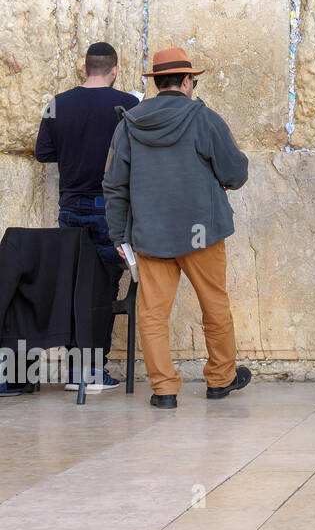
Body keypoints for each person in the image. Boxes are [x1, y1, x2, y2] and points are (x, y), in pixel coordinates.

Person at [103, 47, 251, 410]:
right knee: (214, 305)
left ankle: (164, 389)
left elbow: (114, 185)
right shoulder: (204, 118)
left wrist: (119, 235)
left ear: (157, 83)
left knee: (153, 315)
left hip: (151, 236)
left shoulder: (129, 123)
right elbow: (235, 172)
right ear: (186, 81)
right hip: (202, 233)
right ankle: (220, 379)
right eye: (193, 81)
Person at [34, 42, 139, 392]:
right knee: (105, 286)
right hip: (109, 208)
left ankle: (77, 370)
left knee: (75, 284)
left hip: (70, 207)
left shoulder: (56, 104)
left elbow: (44, 154)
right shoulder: (129, 104)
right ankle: (94, 370)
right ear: (115, 70)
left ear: (84, 68)